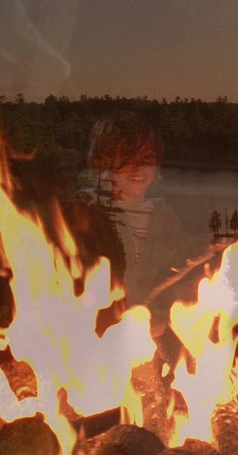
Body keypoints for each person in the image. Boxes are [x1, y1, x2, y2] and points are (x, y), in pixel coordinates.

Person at [73, 110, 206, 336]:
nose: (138, 167)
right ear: (102, 162)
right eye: (126, 157)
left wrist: (159, 315)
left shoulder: (163, 217)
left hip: (147, 337)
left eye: (147, 158)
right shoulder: (85, 213)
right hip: (95, 336)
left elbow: (178, 273)